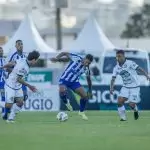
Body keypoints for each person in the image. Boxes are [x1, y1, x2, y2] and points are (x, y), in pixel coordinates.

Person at [51, 52, 93, 120]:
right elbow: (64, 53)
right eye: (87, 62)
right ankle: (66, 102)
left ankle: (81, 112)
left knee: (85, 96)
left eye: (89, 63)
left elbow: (89, 80)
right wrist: (56, 58)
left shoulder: (86, 69)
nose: (87, 64)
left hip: (74, 82)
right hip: (64, 79)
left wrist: (90, 90)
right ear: (85, 58)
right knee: (62, 90)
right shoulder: (76, 58)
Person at [0, 50, 40, 122]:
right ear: (34, 59)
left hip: (17, 86)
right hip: (10, 85)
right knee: (9, 104)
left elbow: (12, 63)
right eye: (36, 60)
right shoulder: (24, 67)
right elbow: (19, 79)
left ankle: (10, 118)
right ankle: (6, 113)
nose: (36, 62)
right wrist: (29, 86)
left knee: (20, 103)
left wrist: (3, 66)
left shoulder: (23, 59)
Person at [110, 50, 150, 121]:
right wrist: (111, 88)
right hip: (125, 86)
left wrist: (146, 75)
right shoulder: (116, 68)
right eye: (117, 56)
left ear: (123, 56)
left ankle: (135, 110)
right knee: (119, 101)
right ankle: (123, 117)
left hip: (135, 87)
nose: (118, 58)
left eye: (120, 56)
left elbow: (139, 69)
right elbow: (113, 78)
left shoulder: (130, 63)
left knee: (131, 104)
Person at [3, 40, 28, 120]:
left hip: (21, 81)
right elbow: (6, 68)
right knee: (11, 101)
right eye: (19, 44)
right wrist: (14, 72)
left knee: (25, 97)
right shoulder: (13, 56)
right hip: (13, 81)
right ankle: (6, 113)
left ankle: (10, 112)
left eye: (21, 44)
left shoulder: (25, 56)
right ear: (16, 46)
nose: (21, 45)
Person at [0, 47, 6, 116]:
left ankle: (4, 111)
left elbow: (6, 70)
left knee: (3, 95)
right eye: (0, 51)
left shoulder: (4, 60)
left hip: (2, 82)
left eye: (2, 51)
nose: (1, 52)